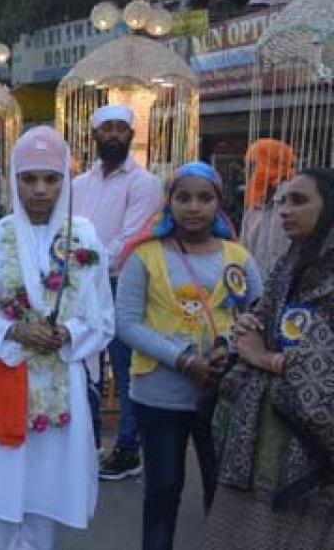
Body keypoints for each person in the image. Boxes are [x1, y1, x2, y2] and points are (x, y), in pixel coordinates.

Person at [0, 126, 114, 550]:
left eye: (51, 179)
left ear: (66, 181)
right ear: (14, 179)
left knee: (46, 489)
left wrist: (65, 333)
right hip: (2, 377)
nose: (40, 190)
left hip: (59, 381)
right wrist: (15, 330)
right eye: (29, 178)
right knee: (0, 488)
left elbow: (102, 319)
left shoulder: (86, 240)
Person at [115, 161, 262, 550]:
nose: (193, 207)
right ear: (169, 203)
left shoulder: (239, 257)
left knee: (222, 493)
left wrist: (226, 348)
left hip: (224, 393)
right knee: (163, 491)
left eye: (204, 198)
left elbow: (258, 314)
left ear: (219, 204)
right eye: (183, 198)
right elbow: (126, 324)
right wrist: (182, 359)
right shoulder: (143, 256)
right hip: (158, 395)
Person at [203, 168, 334, 549]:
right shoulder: (292, 263)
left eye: (299, 200)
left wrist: (265, 358)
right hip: (259, 436)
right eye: (283, 201)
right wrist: (245, 329)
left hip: (313, 454)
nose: (285, 211)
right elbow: (260, 323)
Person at [73, 104, 163, 480]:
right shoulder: (78, 184)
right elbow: (71, 232)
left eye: (120, 129)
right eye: (106, 128)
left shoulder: (144, 183)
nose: (113, 135)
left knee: (126, 370)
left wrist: (85, 263)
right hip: (80, 284)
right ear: (94, 136)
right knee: (80, 362)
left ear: (131, 135)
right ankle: (84, 444)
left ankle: (128, 448)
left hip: (121, 284)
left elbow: (130, 239)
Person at [241, 138, 295, 275]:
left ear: (271, 164)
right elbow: (243, 251)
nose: (246, 173)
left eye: (254, 165)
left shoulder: (294, 200)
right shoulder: (255, 205)